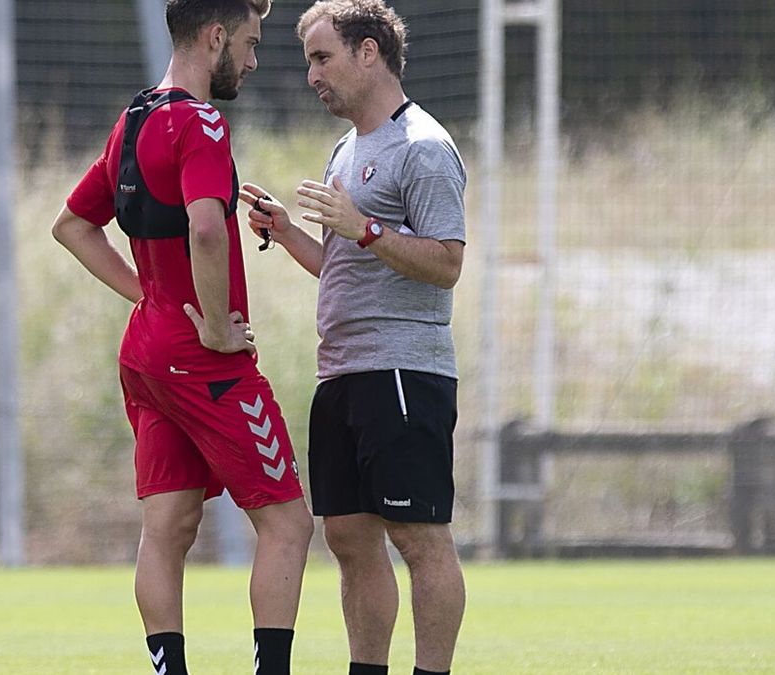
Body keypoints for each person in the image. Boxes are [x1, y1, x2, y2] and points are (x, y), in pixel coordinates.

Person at [50, 1, 313, 673]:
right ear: (215, 36)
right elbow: (202, 227)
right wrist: (221, 328)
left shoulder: (134, 118)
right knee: (287, 522)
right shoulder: (200, 122)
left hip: (146, 349)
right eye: (250, 44)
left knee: (167, 529)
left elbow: (73, 226)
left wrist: (150, 296)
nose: (254, 61)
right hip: (204, 358)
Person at [239, 2, 467, 673]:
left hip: (402, 372)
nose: (312, 75)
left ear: (368, 53)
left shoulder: (423, 146)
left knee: (420, 538)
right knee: (346, 535)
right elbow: (343, 267)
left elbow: (447, 263)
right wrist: (287, 233)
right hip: (341, 374)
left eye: (321, 58)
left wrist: (363, 227)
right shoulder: (346, 150)